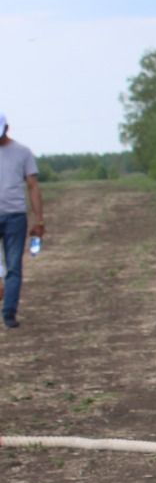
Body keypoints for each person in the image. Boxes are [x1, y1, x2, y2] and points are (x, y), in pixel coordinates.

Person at [0, 112, 44, 330]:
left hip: (15, 216)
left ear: (7, 127)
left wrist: (39, 220)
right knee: (7, 268)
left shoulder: (22, 153)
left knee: (14, 266)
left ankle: (9, 312)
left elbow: (33, 186)